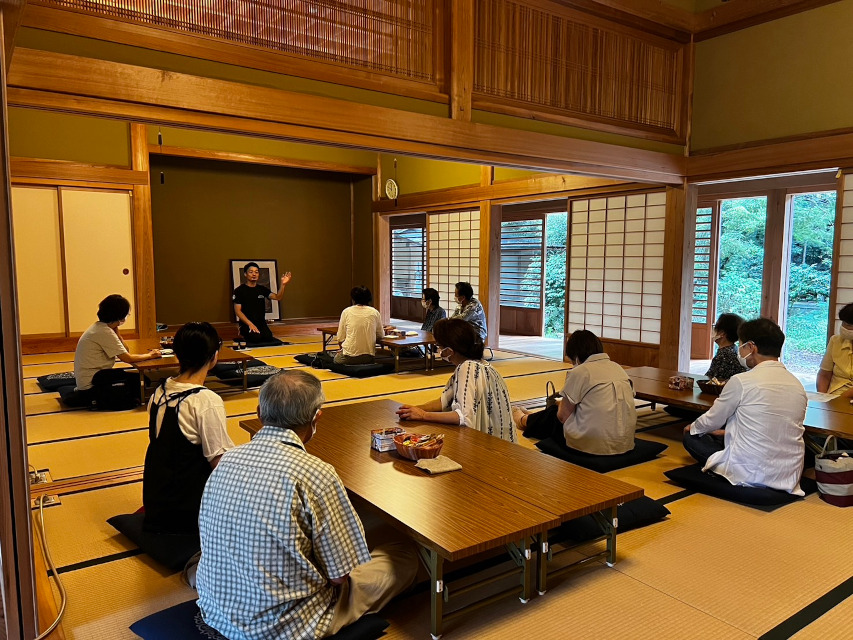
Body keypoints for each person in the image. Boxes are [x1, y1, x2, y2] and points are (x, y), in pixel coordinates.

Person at [197, 370, 418, 640]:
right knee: (403, 557)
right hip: (283, 626)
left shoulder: (227, 461)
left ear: (259, 412)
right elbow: (339, 577)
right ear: (316, 417)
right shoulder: (316, 473)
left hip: (216, 607)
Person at [683, 318, 807, 495]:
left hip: (747, 472)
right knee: (717, 434)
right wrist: (725, 432)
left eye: (741, 345)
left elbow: (713, 419)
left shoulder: (741, 381)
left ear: (751, 347)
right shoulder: (797, 384)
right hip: (788, 474)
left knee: (692, 437)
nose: (739, 351)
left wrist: (692, 428)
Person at [143, 322, 234, 536]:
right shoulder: (206, 400)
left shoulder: (160, 390)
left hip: (156, 500)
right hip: (187, 510)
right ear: (214, 357)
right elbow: (218, 462)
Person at [513, 330, 637, 455]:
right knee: (557, 410)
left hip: (593, 444)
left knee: (553, 414)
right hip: (625, 441)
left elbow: (562, 417)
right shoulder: (618, 368)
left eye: (572, 361)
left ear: (576, 357)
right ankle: (530, 417)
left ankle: (523, 420)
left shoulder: (581, 371)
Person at [396, 318, 517, 442]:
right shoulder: (481, 365)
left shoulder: (468, 368)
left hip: (491, 446)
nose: (438, 350)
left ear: (449, 350)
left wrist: (423, 415)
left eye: (439, 346)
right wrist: (415, 409)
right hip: (501, 441)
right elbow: (444, 402)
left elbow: (463, 417)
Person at [67, 294, 161, 407]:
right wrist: (151, 355)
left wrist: (117, 332)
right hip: (92, 383)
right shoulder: (103, 332)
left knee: (140, 380)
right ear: (120, 316)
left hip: (93, 377)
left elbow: (125, 349)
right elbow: (128, 358)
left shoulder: (101, 328)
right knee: (140, 381)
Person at [232, 262, 291, 344]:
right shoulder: (239, 291)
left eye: (256, 272)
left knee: (268, 337)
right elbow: (238, 311)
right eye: (251, 272)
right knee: (255, 338)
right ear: (245, 274)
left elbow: (278, 297)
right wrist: (250, 324)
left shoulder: (262, 289)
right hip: (247, 323)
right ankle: (244, 333)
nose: (254, 274)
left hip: (261, 323)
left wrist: (283, 285)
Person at [335, 286, 383, 365]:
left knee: (336, 359)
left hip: (349, 357)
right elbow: (381, 335)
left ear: (353, 299)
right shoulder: (375, 312)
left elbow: (340, 337)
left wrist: (342, 349)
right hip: (368, 358)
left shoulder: (346, 312)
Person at [817, 302, 853, 397]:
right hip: (833, 396)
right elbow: (824, 375)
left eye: (848, 325)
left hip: (843, 399)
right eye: (843, 323)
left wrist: (840, 400)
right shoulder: (835, 341)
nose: (844, 327)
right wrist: (822, 397)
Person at [705, 313, 747, 380]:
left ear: (722, 333)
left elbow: (711, 382)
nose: (713, 329)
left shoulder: (724, 355)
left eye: (715, 326)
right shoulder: (733, 349)